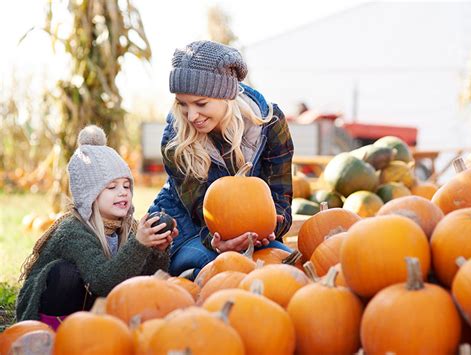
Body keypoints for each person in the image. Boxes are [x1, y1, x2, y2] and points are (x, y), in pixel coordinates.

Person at [149, 40, 294, 279]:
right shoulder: (177, 137)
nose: (192, 115)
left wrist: (271, 227)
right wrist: (218, 243)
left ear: (226, 96)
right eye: (182, 104)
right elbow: (198, 211)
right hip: (189, 229)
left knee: (284, 266)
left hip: (250, 235)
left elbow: (281, 196)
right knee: (216, 270)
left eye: (201, 103)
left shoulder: (271, 125)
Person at [16, 125, 177, 329]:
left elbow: (143, 281)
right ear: (89, 196)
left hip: (92, 309)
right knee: (66, 273)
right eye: (112, 187)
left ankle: (95, 331)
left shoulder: (129, 227)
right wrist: (138, 245)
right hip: (52, 307)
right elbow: (103, 281)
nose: (122, 192)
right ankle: (54, 333)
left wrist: (156, 250)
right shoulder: (73, 231)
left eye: (126, 186)